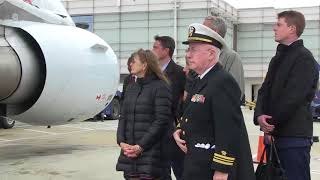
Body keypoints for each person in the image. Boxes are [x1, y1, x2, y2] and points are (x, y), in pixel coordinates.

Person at [173, 23, 255, 180]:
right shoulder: (200, 80)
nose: (188, 55)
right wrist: (180, 129)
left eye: (193, 50)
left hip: (212, 169)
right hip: (197, 165)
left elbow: (229, 129)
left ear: (211, 54)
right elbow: (192, 113)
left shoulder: (223, 82)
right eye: (188, 49)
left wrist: (222, 170)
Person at [254, 10, 319, 180]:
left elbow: (293, 98)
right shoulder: (278, 58)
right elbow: (264, 91)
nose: (274, 29)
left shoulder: (304, 58)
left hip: (293, 138)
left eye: (278, 24)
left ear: (292, 28)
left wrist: (270, 123)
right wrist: (260, 116)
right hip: (274, 136)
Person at [116, 49, 172, 180]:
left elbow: (161, 120)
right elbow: (123, 117)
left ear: (145, 65)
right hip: (129, 153)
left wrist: (141, 146)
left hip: (152, 153)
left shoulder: (160, 87)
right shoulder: (131, 87)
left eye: (134, 62)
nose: (130, 64)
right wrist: (121, 141)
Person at [152, 35, 186, 180]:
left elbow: (184, 101)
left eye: (155, 47)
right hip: (154, 130)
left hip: (172, 129)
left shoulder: (180, 72)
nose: (152, 50)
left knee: (180, 169)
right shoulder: (151, 73)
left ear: (166, 51)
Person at [203, 16, 245, 102]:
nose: (199, 32)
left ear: (214, 32)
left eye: (203, 29)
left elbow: (235, 92)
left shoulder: (232, 57)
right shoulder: (200, 56)